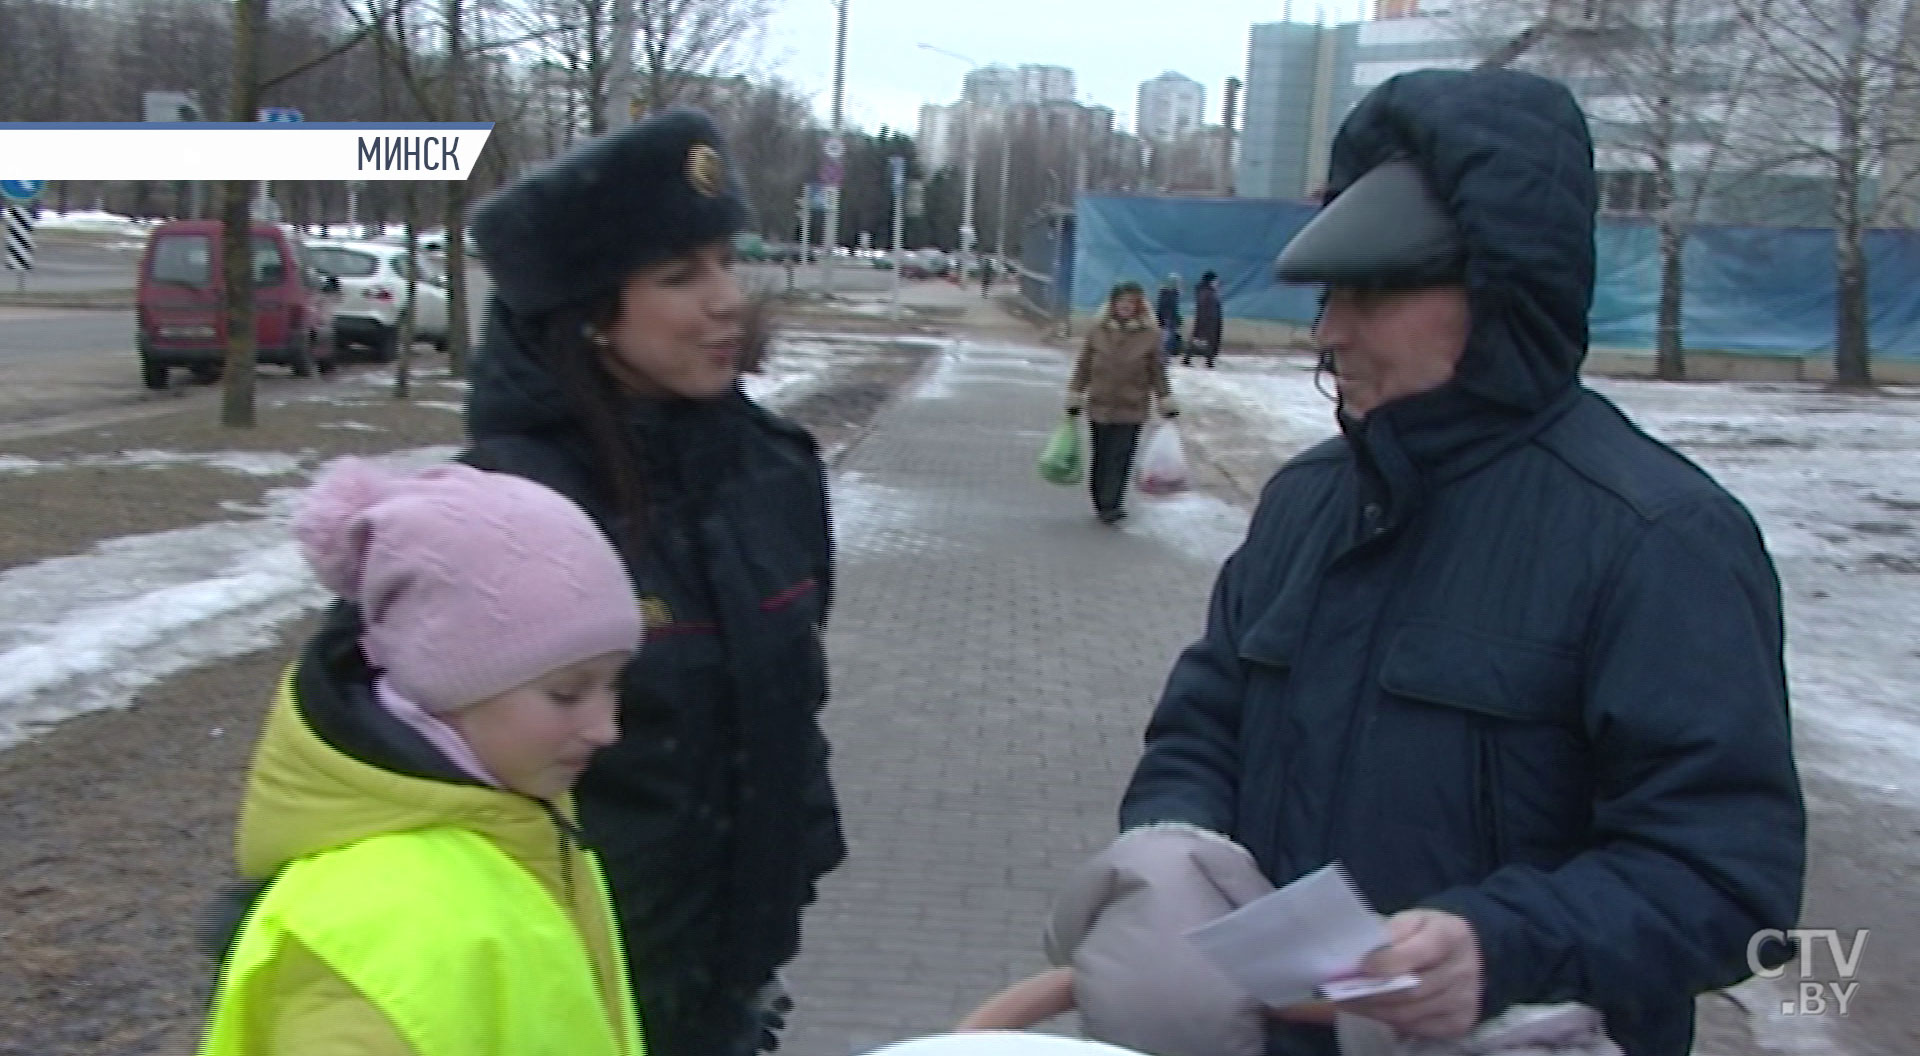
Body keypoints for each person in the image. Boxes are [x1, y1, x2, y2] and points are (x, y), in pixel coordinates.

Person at [1108, 68, 1805, 1056]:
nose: (1331, 329)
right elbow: (1205, 720)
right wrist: (1175, 846)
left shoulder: (1658, 537)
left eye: (1376, 290)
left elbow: (1730, 878)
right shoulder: (1311, 502)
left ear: (1502, 289)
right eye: (1332, 292)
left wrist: (1506, 948)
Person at [463, 108, 846, 1056]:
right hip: (571, 1001)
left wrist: (789, 865)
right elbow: (408, 782)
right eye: (681, 275)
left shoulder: (774, 471)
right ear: (590, 315)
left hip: (732, 994)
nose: (726, 300)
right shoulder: (500, 514)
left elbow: (788, 707)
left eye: (725, 260)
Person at [197, 459, 645, 1056]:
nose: (605, 727)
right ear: (442, 685)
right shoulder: (375, 924)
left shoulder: (518, 831)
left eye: (612, 686)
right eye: (566, 692)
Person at [1066, 281, 1179, 525]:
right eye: (1121, 302)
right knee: (1101, 455)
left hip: (1132, 406)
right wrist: (1075, 392)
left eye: (1131, 303)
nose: (1125, 307)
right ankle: (1100, 499)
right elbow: (1084, 365)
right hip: (1100, 404)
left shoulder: (1150, 336)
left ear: (1139, 307)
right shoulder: (1098, 331)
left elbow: (1157, 371)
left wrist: (1165, 399)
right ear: (1113, 305)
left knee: (1121, 457)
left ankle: (1112, 503)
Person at [1184, 271, 1223, 368]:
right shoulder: (1207, 292)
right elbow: (1208, 308)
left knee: (1199, 340)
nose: (1217, 282)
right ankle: (1208, 361)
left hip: (1206, 320)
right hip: (1208, 321)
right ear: (1210, 280)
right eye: (1215, 280)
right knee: (1207, 341)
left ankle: (1191, 359)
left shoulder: (1206, 291)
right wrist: (1208, 320)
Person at [1154, 274, 1184, 358]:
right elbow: (1168, 309)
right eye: (1179, 283)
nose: (1180, 286)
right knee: (1165, 339)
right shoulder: (1170, 295)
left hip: (1167, 320)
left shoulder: (1168, 294)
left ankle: (1165, 354)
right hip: (1167, 320)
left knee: (1166, 338)